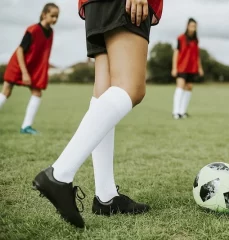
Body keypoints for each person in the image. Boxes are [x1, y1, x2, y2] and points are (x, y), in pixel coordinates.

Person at [32, 0, 163, 228]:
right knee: (130, 88)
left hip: (96, 5)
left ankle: (106, 197)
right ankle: (59, 175)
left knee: (107, 90)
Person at [0, 3, 59, 135]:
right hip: (18, 65)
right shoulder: (32, 30)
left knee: (37, 93)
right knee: (6, 92)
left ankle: (26, 127)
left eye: (57, 17)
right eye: (52, 16)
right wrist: (24, 72)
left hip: (33, 68)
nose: (55, 19)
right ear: (44, 14)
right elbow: (20, 50)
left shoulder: (51, 32)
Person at [171, 18, 204, 120]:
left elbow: (197, 55)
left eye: (194, 26)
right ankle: (175, 112)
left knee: (189, 87)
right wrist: (174, 68)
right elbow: (176, 53)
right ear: (187, 26)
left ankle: (182, 111)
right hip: (182, 67)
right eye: (191, 26)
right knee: (180, 87)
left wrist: (200, 67)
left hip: (192, 68)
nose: (193, 28)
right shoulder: (181, 38)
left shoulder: (196, 40)